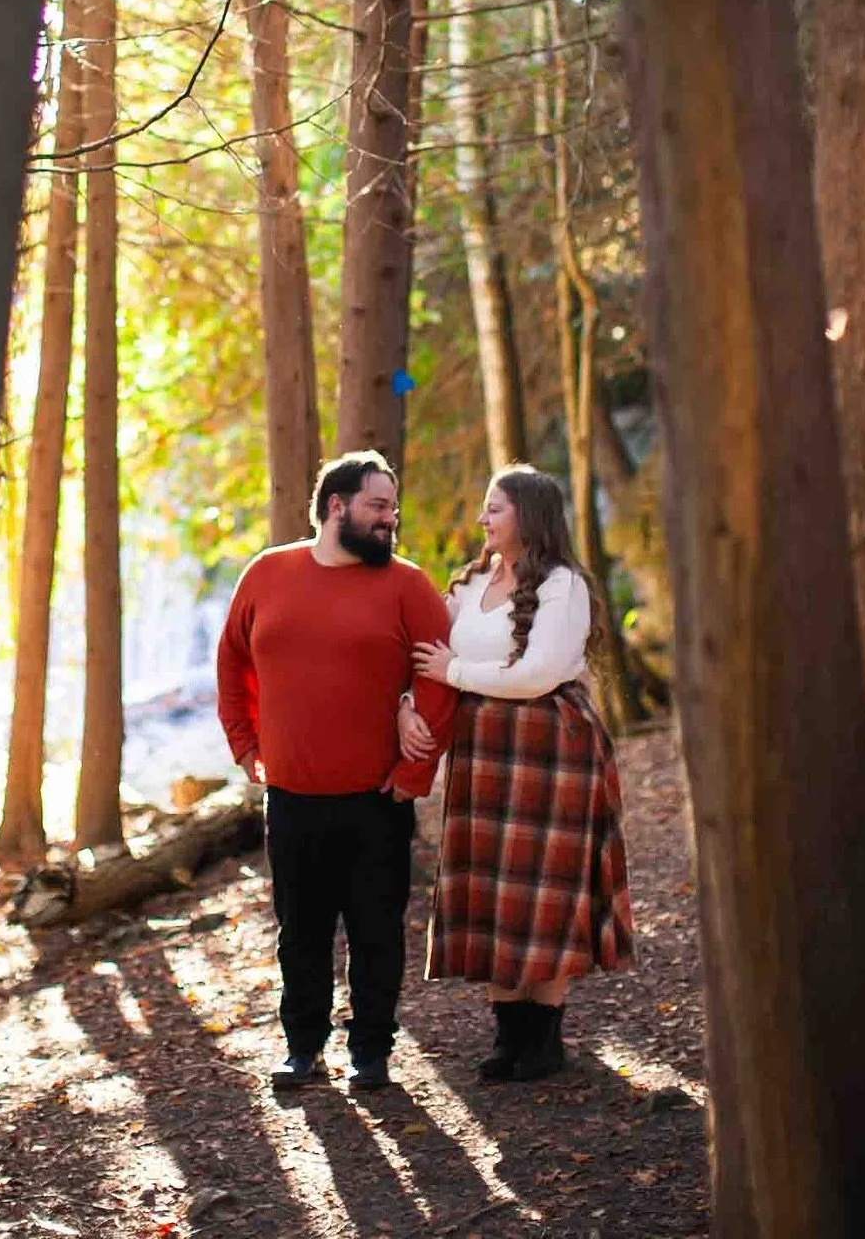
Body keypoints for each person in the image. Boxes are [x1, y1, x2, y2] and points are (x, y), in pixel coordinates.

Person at [217, 451, 458, 1092]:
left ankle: (371, 1052)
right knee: (301, 931)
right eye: (379, 507)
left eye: (394, 510)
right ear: (336, 507)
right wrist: (244, 745)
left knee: (376, 930)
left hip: (377, 799)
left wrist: (415, 770)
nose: (390, 520)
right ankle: (303, 1048)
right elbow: (232, 663)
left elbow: (440, 682)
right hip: (291, 796)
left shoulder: (409, 586)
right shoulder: (268, 573)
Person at [399, 465, 633, 1082]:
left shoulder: (563, 586)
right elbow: (423, 658)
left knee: (544, 883)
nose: (482, 520)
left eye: (494, 508)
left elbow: (536, 674)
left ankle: (545, 1038)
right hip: (481, 750)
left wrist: (454, 674)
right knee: (492, 885)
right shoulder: (472, 582)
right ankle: (508, 1033)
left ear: (528, 515)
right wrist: (407, 705)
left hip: (548, 745)